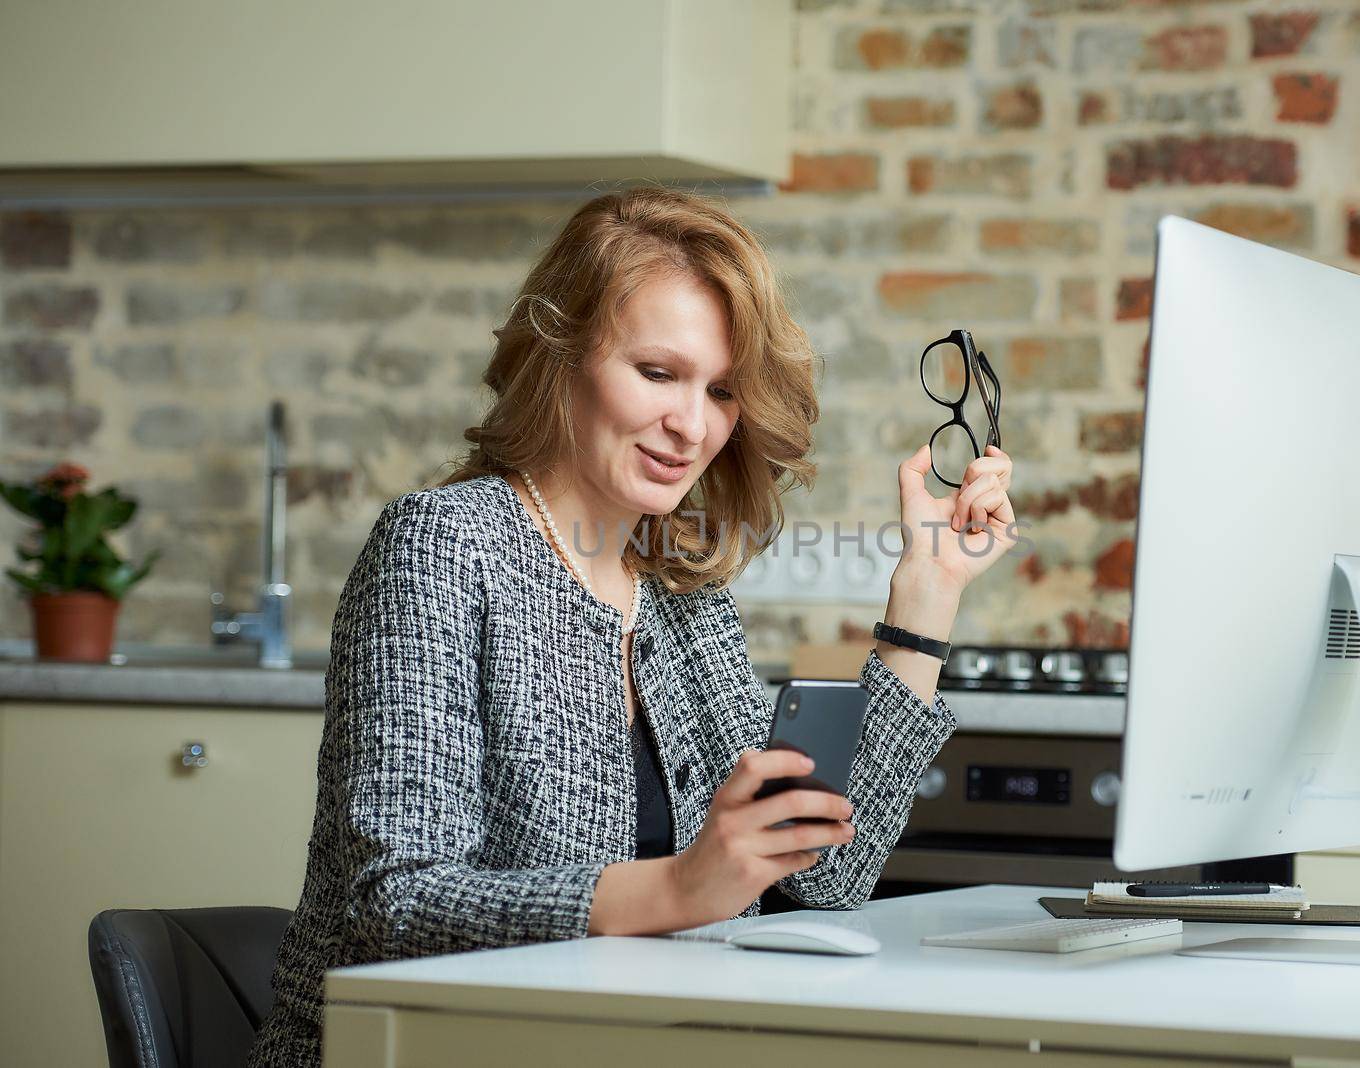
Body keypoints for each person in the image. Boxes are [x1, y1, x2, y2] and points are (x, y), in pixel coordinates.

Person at [247, 187, 1017, 1066]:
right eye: (658, 373)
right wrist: (682, 887)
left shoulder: (680, 588)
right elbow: (392, 904)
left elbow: (822, 881)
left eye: (722, 390)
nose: (692, 426)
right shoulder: (443, 546)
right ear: (559, 356)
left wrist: (927, 590)